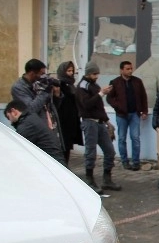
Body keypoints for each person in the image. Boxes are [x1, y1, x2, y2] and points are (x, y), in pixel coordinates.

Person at [75, 61, 121, 192]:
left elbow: (99, 107)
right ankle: (89, 179)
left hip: (100, 123)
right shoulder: (83, 86)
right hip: (89, 122)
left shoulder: (94, 86)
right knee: (91, 152)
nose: (97, 76)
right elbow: (87, 105)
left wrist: (107, 121)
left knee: (110, 151)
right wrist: (101, 93)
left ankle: (107, 179)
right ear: (88, 73)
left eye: (97, 74)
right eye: (94, 74)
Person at [10, 58, 63, 156]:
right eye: (41, 73)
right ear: (32, 73)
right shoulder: (19, 88)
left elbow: (52, 106)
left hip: (51, 125)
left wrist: (57, 94)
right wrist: (45, 92)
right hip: (37, 129)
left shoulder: (41, 84)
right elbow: (31, 109)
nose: (43, 76)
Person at [106, 60, 148, 171]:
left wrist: (144, 111)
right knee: (122, 138)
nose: (130, 71)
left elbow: (143, 97)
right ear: (122, 70)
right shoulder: (115, 82)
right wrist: (118, 106)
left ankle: (136, 162)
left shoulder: (137, 81)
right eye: (127, 69)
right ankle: (125, 161)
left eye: (131, 68)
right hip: (121, 115)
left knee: (135, 138)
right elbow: (109, 98)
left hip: (135, 114)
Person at [4, 99, 64, 164]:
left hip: (52, 164)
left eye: (9, 117)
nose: (10, 122)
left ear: (14, 112)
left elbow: (18, 148)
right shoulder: (31, 118)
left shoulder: (26, 125)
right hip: (54, 161)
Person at [54, 61, 84, 165]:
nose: (71, 73)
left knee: (68, 145)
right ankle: (62, 166)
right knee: (63, 145)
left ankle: (65, 164)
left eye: (72, 71)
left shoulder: (71, 85)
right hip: (62, 120)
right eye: (68, 70)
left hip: (72, 119)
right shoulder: (59, 85)